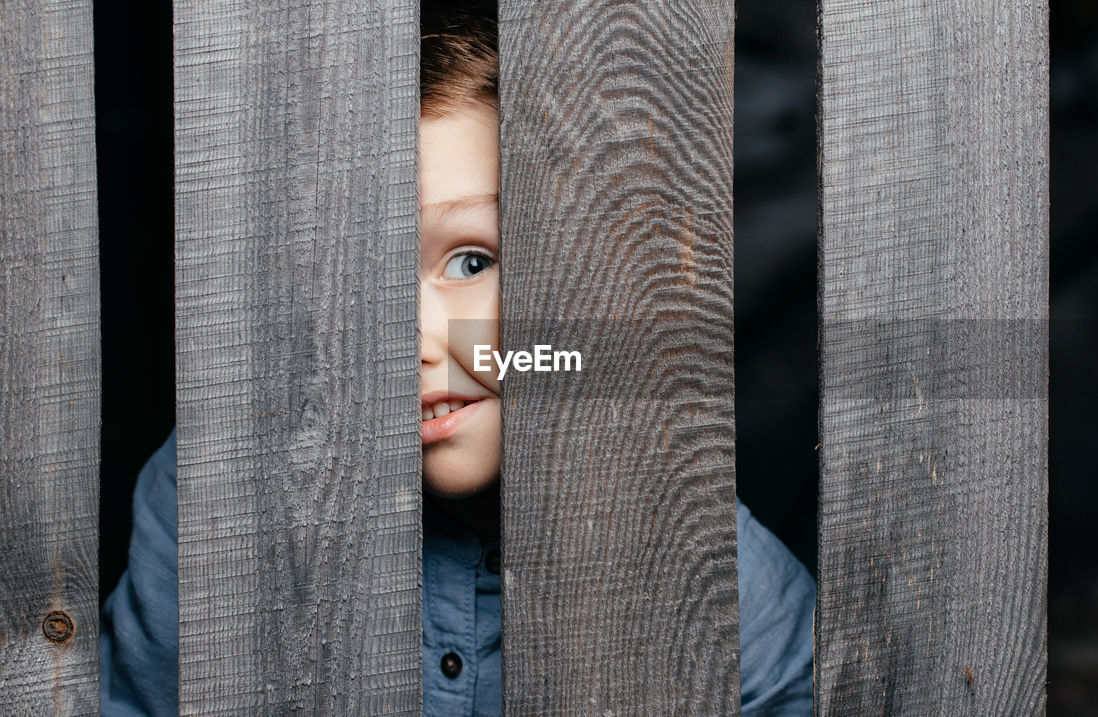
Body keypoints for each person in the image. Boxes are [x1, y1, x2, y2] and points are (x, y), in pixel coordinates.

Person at [99, 2, 815, 714]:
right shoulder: (208, 495)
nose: (411, 339)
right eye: (359, 278)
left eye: (471, 261)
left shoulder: (706, 556)